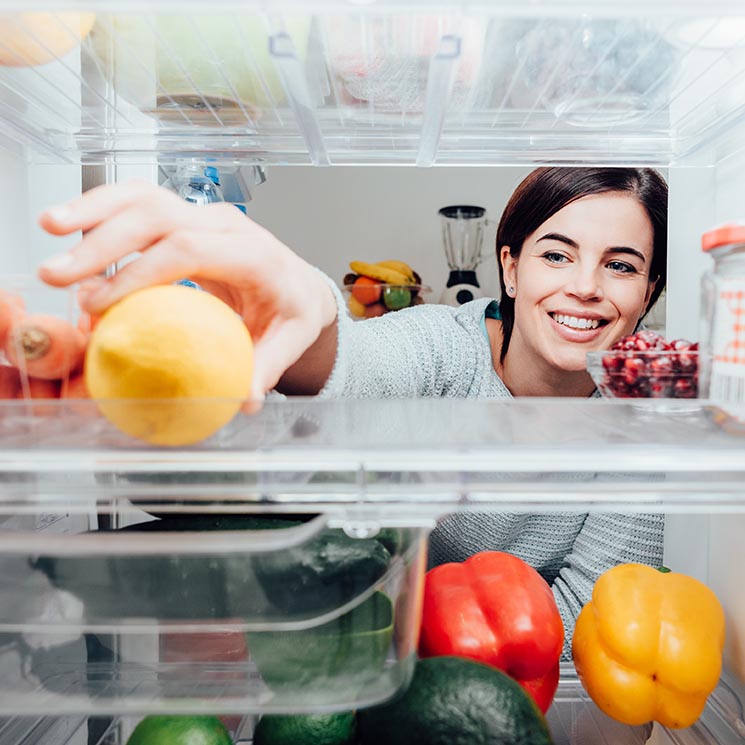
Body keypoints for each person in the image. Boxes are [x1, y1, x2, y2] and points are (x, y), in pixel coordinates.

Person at [37, 166, 668, 657]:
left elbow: (599, 619)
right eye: (556, 254)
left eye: (620, 265)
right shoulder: (446, 345)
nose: (585, 285)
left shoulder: (644, 421)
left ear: (648, 295)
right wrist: (306, 308)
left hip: (502, 679)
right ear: (509, 267)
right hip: (365, 647)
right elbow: (359, 366)